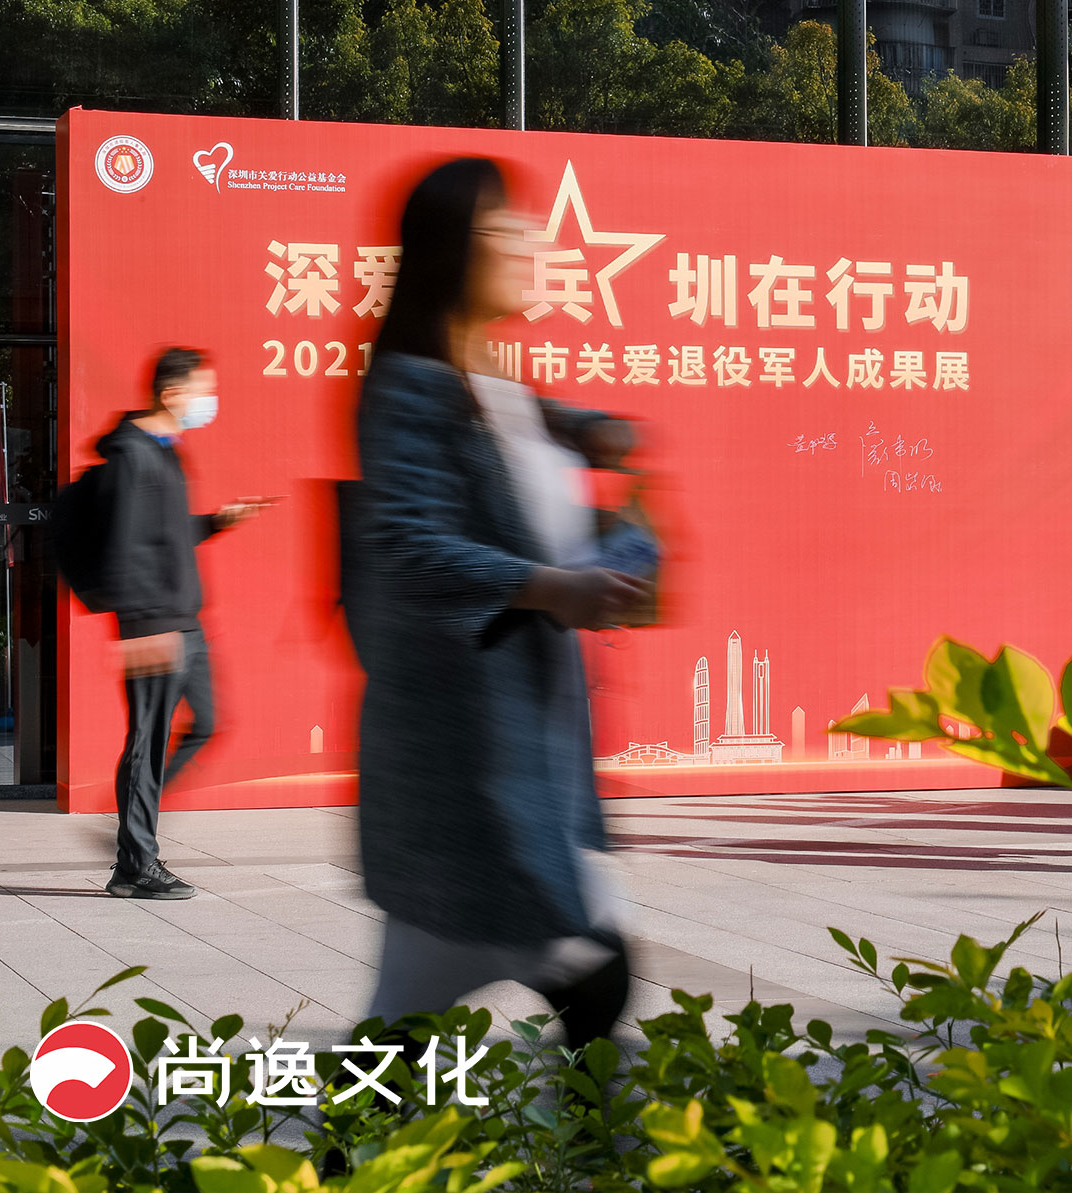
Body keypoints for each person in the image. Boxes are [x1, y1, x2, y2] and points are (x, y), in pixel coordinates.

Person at [343, 158, 649, 1048]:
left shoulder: (491, 381)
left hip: (511, 743)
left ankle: (354, 1124)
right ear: (452, 250)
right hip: (469, 756)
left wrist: (590, 431)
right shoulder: (412, 385)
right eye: (506, 231)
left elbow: (518, 433)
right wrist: (555, 585)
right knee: (588, 972)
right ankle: (596, 1134)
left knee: (417, 1000)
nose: (529, 248)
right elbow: (406, 541)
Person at [100, 348, 272, 900]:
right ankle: (135, 865)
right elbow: (122, 546)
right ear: (171, 393)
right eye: (203, 390)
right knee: (147, 741)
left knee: (207, 723)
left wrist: (218, 521)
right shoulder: (133, 455)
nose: (209, 401)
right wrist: (142, 626)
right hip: (155, 623)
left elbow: (166, 535)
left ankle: (135, 822)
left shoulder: (165, 451)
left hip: (184, 620)